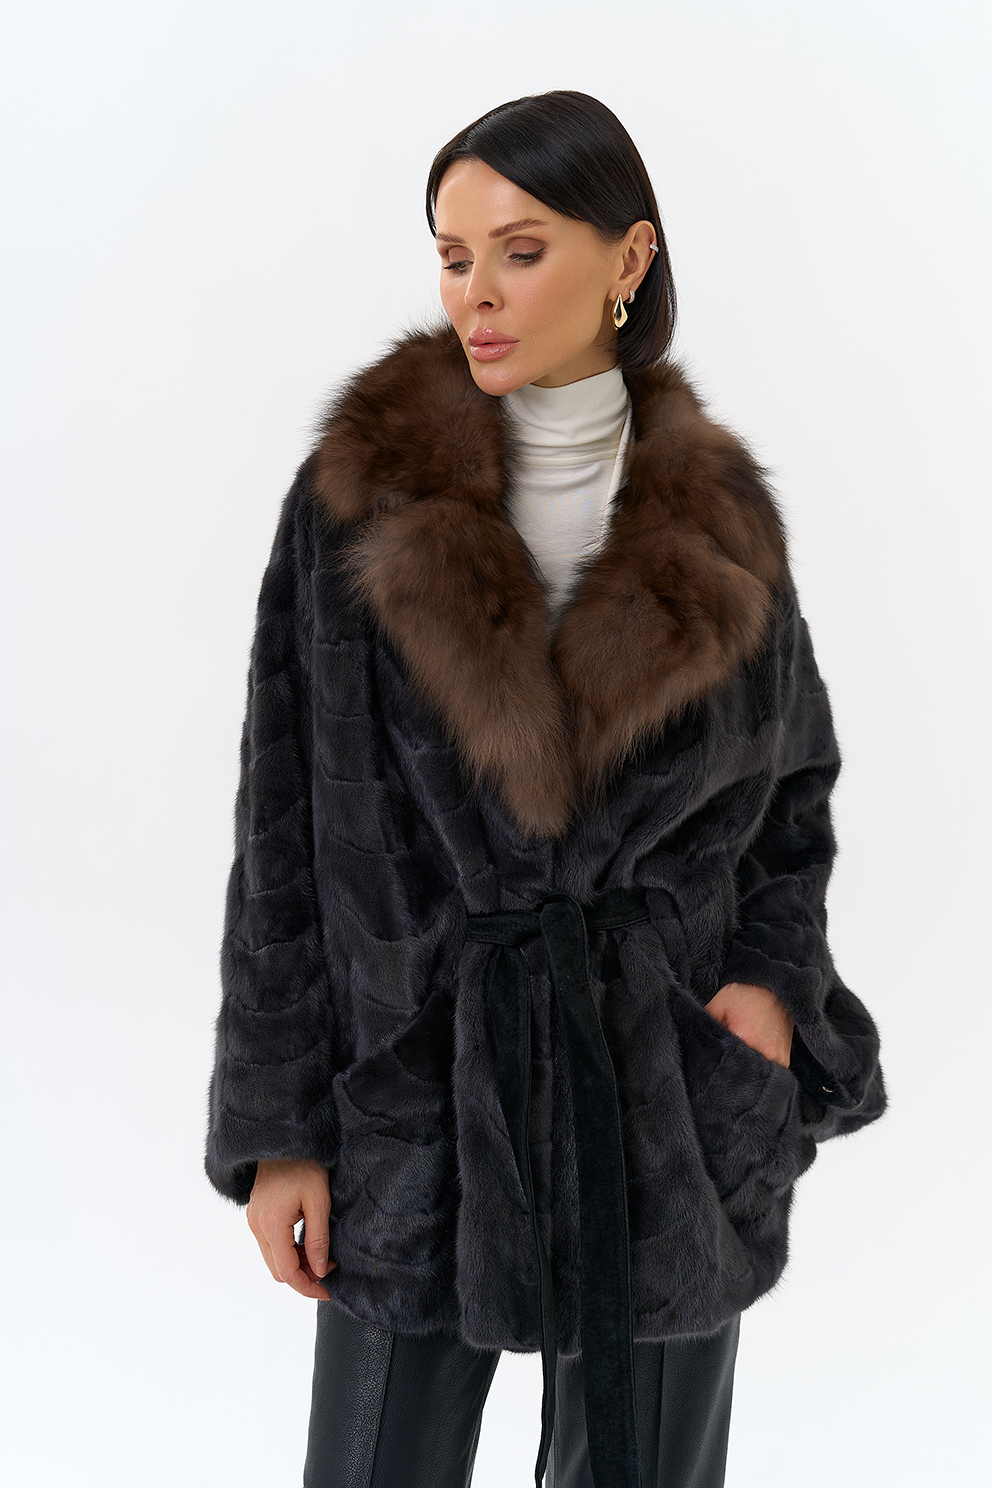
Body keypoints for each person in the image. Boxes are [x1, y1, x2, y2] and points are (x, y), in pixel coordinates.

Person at [204, 90, 887, 1488]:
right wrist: (280, 1132)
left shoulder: (725, 521)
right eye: (454, 256)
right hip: (414, 1084)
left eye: (520, 251)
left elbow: (791, 799)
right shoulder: (357, 499)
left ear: (629, 258)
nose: (477, 292)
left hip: (664, 1087)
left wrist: (766, 991)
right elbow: (284, 831)